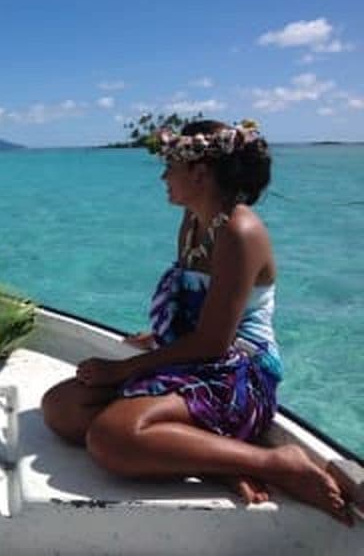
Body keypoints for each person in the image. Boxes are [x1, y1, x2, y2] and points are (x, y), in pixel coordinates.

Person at [41, 120, 352, 524]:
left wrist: (122, 369)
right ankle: (215, 460)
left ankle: (275, 461)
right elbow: (201, 313)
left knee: (109, 439)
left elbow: (215, 344)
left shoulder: (240, 232)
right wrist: (160, 337)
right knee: (62, 408)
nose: (163, 176)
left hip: (239, 376)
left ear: (200, 172)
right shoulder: (193, 223)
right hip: (198, 363)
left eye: (170, 165)